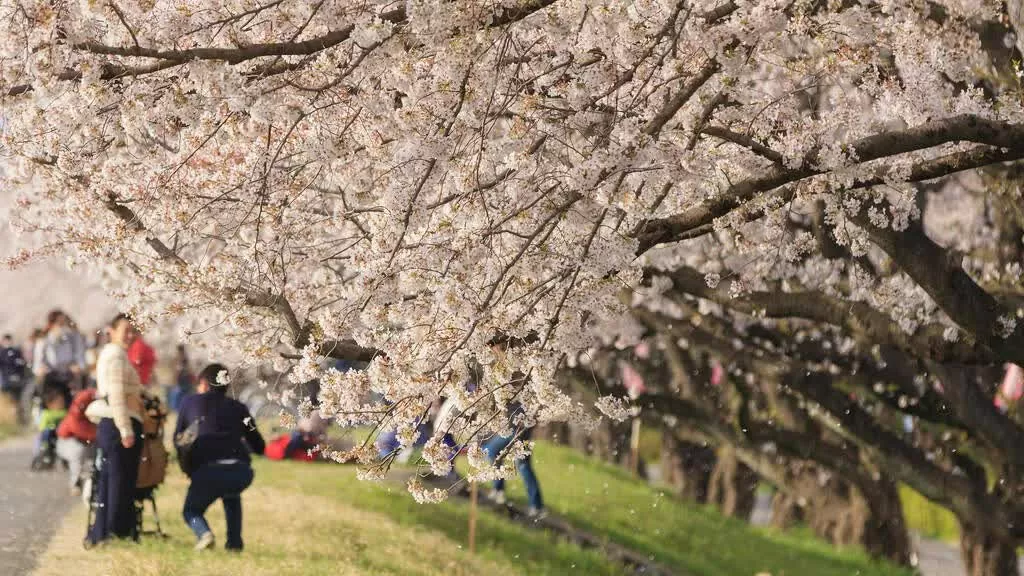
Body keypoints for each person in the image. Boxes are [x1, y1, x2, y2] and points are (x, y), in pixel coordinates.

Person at [175, 363, 265, 551]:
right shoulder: (239, 407)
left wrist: (186, 467)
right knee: (231, 494)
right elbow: (259, 445)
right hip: (240, 471)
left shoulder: (189, 402)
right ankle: (234, 545)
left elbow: (178, 439)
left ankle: (204, 533)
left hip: (207, 471)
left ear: (204, 384)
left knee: (191, 510)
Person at [85, 313, 145, 546]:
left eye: (133, 331)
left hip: (114, 424)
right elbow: (116, 394)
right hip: (118, 423)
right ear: (111, 330)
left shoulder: (115, 355)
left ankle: (104, 534)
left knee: (111, 481)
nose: (130, 335)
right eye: (125, 330)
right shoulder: (116, 356)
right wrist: (126, 429)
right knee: (118, 483)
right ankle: (112, 534)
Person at [34, 310, 87, 405]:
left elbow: (79, 355)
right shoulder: (44, 340)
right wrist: (41, 369)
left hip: (69, 376)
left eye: (64, 322)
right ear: (52, 324)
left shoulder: (72, 337)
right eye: (59, 323)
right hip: (51, 377)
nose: (62, 326)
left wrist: (78, 366)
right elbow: (38, 362)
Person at [56, 388, 98, 497]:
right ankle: (75, 484)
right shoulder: (75, 415)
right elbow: (81, 430)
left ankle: (93, 482)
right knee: (78, 454)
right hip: (70, 442)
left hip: (86, 442)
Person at [32, 388, 67, 467]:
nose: (60, 405)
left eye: (61, 402)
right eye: (58, 403)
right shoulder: (46, 414)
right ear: (49, 404)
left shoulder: (64, 413)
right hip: (48, 436)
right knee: (46, 432)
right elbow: (42, 427)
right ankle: (44, 453)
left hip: (61, 435)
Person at [0, 334, 27, 412]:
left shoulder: (16, 351)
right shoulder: (1, 352)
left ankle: (17, 415)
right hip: (6, 381)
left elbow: (22, 364)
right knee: (7, 399)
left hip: (17, 380)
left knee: (17, 399)